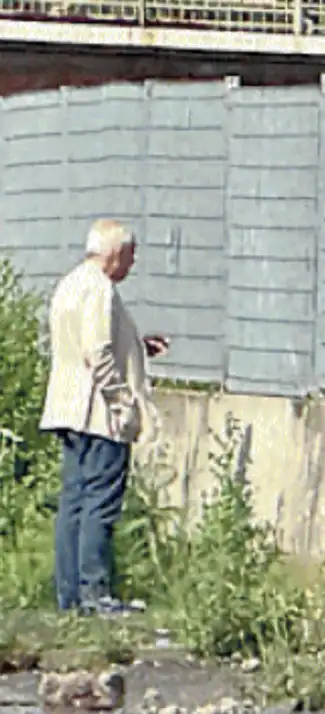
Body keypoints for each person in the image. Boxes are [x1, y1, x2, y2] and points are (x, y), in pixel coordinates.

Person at [39, 218, 169, 615]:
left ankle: (71, 597)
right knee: (100, 502)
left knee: (74, 502)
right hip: (98, 413)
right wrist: (121, 402)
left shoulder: (71, 283)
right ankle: (96, 594)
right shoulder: (100, 288)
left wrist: (136, 346)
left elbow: (88, 341)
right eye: (130, 255)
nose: (132, 263)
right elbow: (97, 352)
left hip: (67, 408)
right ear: (115, 252)